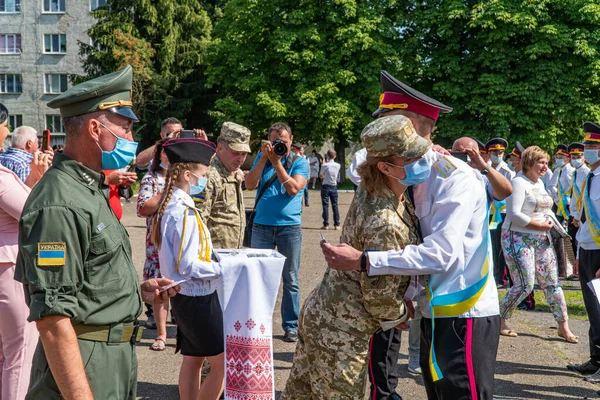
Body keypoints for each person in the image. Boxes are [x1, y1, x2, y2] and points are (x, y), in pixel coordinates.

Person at [322, 70, 500, 400]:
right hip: (433, 313)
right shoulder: (410, 173)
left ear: (412, 127)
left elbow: (440, 253)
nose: (380, 134)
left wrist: (364, 261)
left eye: (389, 123)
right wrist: (408, 294)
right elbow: (414, 240)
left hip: (464, 315)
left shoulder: (453, 178)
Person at [14, 65, 179, 399]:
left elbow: (88, 274)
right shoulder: (59, 203)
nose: (132, 140)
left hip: (109, 357)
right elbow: (53, 319)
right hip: (86, 361)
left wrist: (136, 291)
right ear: (94, 128)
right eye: (127, 129)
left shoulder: (88, 188)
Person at [282, 115, 427, 400]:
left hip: (324, 314)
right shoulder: (385, 221)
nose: (423, 160)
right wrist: (403, 313)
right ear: (385, 166)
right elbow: (380, 300)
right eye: (413, 157)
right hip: (341, 332)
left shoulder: (373, 188)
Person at [153, 138, 225, 400]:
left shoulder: (172, 205)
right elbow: (189, 265)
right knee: (223, 363)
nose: (205, 179)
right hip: (197, 296)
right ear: (187, 174)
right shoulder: (183, 211)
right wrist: (223, 268)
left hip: (185, 295)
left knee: (194, 358)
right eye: (203, 174)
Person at [498, 146, 578, 343]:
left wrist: (551, 225)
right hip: (517, 237)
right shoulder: (518, 182)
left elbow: (544, 209)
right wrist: (539, 225)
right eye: (540, 162)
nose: (544, 166)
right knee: (524, 285)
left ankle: (563, 327)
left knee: (552, 284)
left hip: (542, 238)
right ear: (528, 163)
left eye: (545, 162)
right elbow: (514, 214)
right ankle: (500, 320)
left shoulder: (540, 183)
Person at [0, 104, 50, 400]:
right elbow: (35, 214)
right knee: (19, 354)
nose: (6, 132)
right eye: (3, 126)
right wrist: (42, 178)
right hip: (9, 267)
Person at [245, 123, 309, 343]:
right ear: (268, 141)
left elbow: (293, 188)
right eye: (275, 141)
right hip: (261, 226)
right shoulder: (262, 160)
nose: (280, 144)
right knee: (258, 278)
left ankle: (291, 326)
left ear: (291, 140)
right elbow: (250, 185)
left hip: (289, 228)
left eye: (283, 140)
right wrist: (263, 159)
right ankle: (257, 324)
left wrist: (277, 163)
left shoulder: (300, 162)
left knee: (290, 279)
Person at [567, 122, 600, 381]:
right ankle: (596, 360)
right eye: (587, 145)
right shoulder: (588, 176)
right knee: (593, 310)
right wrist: (578, 255)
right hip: (587, 249)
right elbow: (584, 220)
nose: (588, 150)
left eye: (593, 146)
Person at [137, 138, 170, 348]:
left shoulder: (190, 178)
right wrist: (170, 190)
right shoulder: (151, 179)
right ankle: (161, 334)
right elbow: (143, 207)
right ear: (159, 155)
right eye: (165, 152)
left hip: (180, 241)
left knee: (183, 288)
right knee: (160, 289)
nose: (170, 156)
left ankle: (184, 332)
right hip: (158, 242)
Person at [198, 122, 251, 249]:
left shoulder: (233, 173)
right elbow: (198, 222)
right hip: (213, 257)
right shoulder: (210, 176)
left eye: (244, 154)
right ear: (220, 147)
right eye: (235, 152)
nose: (240, 159)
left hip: (230, 256)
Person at [486, 138, 515, 289]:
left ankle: (502, 278)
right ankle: (493, 274)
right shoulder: (485, 168)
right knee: (491, 245)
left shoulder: (507, 171)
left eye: (500, 152)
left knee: (501, 247)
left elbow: (510, 193)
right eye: (494, 152)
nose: (497, 154)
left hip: (502, 213)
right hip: (489, 211)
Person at [567, 142, 590, 280]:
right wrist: (574, 214)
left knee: (580, 243)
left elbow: (584, 198)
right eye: (573, 156)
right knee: (575, 242)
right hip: (575, 214)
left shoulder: (586, 173)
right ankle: (578, 270)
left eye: (578, 156)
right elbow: (575, 197)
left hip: (583, 216)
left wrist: (578, 216)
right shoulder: (575, 173)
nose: (575, 158)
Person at [549, 144, 574, 223]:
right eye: (558, 157)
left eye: (561, 158)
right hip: (559, 202)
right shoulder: (560, 170)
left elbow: (573, 188)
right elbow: (551, 186)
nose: (558, 160)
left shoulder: (569, 170)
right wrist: (557, 199)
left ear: (567, 159)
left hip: (567, 204)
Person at [319, 149, 341, 230]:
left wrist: (323, 165)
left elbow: (321, 175)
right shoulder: (338, 165)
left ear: (327, 156)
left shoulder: (325, 165)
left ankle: (326, 224)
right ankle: (337, 224)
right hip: (334, 186)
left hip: (325, 185)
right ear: (335, 156)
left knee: (325, 205)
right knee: (335, 205)